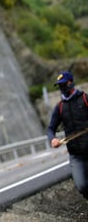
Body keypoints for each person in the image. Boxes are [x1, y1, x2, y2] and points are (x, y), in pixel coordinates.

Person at [47, 71, 88, 200]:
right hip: (76, 155)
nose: (62, 87)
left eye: (64, 84)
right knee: (81, 186)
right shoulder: (59, 107)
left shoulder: (85, 98)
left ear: (71, 83)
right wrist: (53, 139)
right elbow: (50, 128)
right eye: (60, 85)